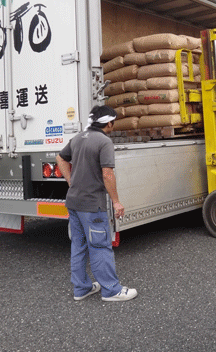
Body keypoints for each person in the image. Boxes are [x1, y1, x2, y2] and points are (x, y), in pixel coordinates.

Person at [56, 105, 138, 302]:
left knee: (78, 245)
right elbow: (107, 173)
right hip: (92, 205)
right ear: (109, 123)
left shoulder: (78, 138)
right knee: (100, 246)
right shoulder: (104, 141)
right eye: (113, 122)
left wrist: (70, 181)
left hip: (74, 202)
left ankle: (81, 288)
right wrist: (116, 201)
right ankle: (111, 290)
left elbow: (60, 157)